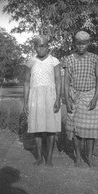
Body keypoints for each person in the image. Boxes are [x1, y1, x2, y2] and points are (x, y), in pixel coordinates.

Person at [63, 30, 98, 167]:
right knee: (75, 129)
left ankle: (89, 157)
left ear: (88, 44)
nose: (81, 46)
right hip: (74, 96)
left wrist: (95, 98)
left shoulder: (95, 58)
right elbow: (66, 81)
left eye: (84, 44)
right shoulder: (69, 59)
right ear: (75, 43)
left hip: (90, 96)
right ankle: (78, 157)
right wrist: (67, 100)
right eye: (78, 44)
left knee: (90, 130)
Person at [23, 35, 61, 167]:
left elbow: (57, 80)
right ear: (35, 47)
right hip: (35, 97)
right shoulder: (30, 62)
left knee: (51, 129)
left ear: (48, 47)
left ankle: (49, 158)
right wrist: (25, 101)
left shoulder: (54, 61)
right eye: (38, 46)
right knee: (37, 129)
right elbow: (27, 82)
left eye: (44, 45)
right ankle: (39, 157)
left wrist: (58, 98)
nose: (41, 48)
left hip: (51, 96)